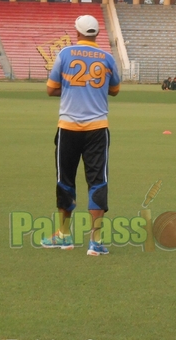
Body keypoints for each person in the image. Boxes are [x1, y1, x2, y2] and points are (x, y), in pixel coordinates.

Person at [43, 15, 121, 256]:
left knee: (65, 179)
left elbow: (50, 89)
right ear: (96, 34)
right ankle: (95, 241)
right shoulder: (107, 58)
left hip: (68, 127)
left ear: (76, 32)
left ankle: (64, 236)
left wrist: (71, 89)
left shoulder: (65, 54)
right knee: (98, 180)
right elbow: (115, 90)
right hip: (98, 129)